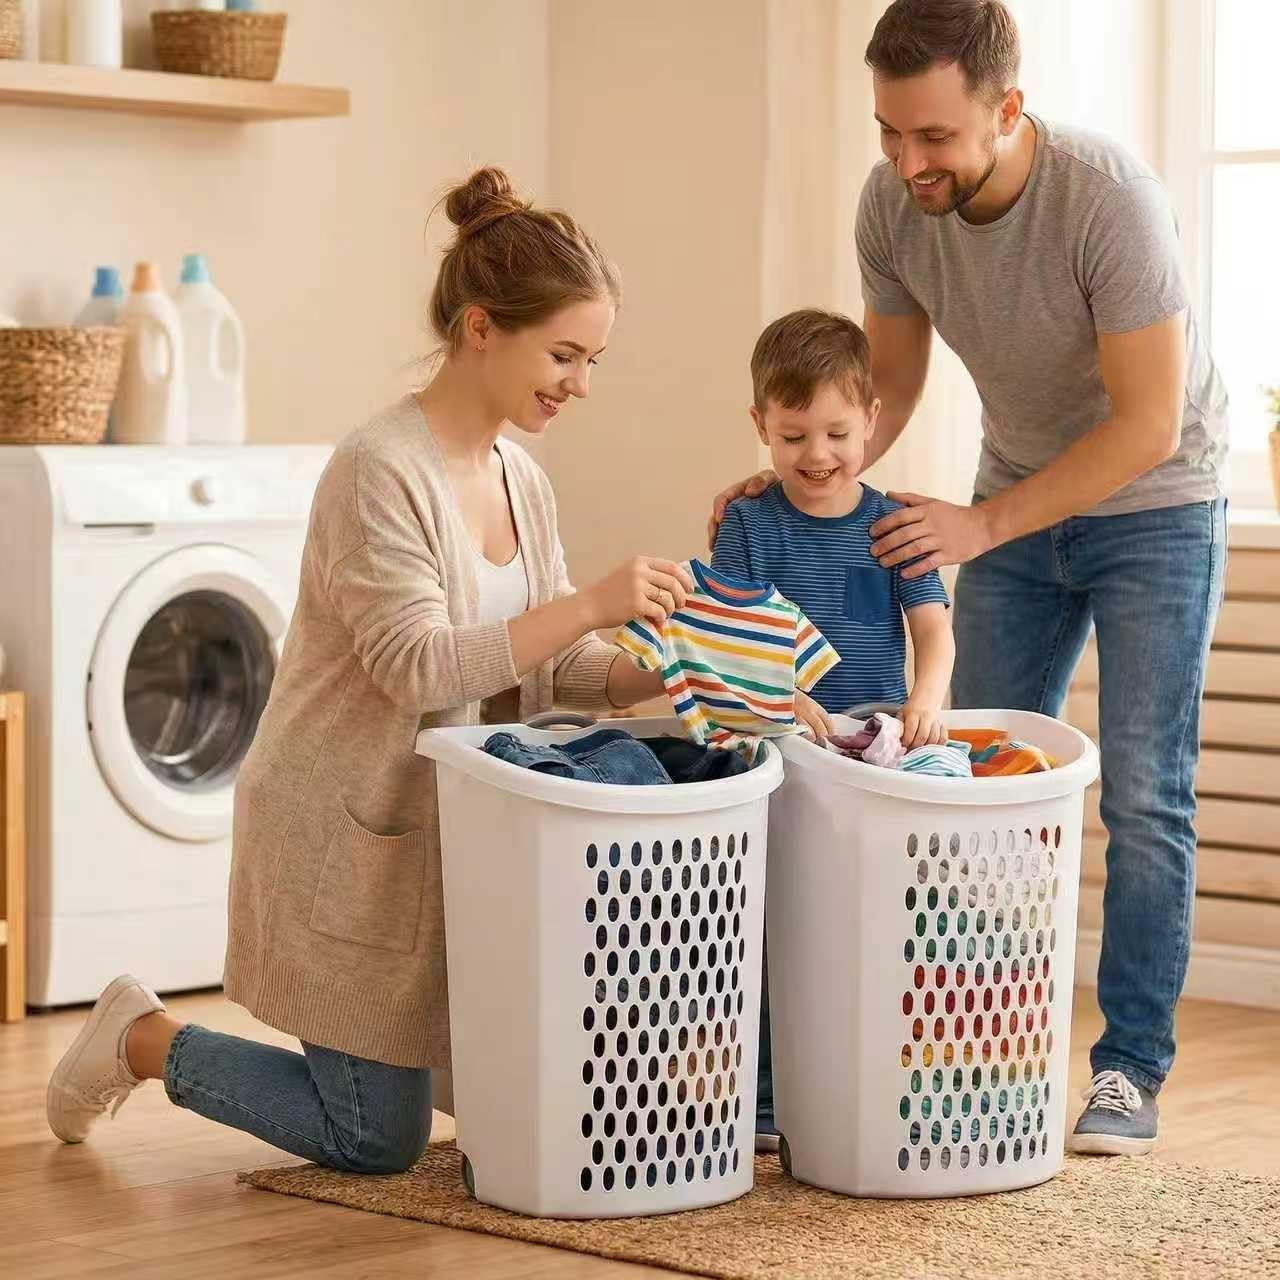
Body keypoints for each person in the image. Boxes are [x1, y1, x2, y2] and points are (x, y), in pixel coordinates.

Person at [46, 166, 694, 1174]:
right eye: (563, 353)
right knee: (374, 1136)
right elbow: (417, 666)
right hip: (345, 831)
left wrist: (662, 667)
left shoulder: (522, 477)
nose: (579, 382)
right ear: (481, 327)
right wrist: (590, 601)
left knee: (513, 1092)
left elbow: (558, 662)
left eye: (592, 358)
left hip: (450, 836)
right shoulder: (377, 466)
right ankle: (139, 1036)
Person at [710, 0, 1227, 1156]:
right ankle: (958, 1042)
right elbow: (877, 388)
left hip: (1155, 505)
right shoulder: (891, 204)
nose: (905, 162)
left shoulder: (1108, 201)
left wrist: (980, 523)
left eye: (931, 137)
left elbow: (1146, 423)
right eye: (888, 133)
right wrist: (797, 478)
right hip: (1008, 506)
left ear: (1006, 109)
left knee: (1144, 794)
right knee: (958, 781)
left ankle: (1124, 1069)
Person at [711, 306, 956, 1150]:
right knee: (779, 928)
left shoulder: (894, 525)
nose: (816, 456)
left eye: (836, 434)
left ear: (871, 425)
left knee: (878, 923)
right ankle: (771, 1102)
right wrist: (781, 694)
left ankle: (891, 1078)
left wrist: (928, 698)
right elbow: (731, 632)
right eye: (792, 437)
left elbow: (933, 631)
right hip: (785, 749)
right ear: (760, 430)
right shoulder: (748, 523)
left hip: (876, 748)